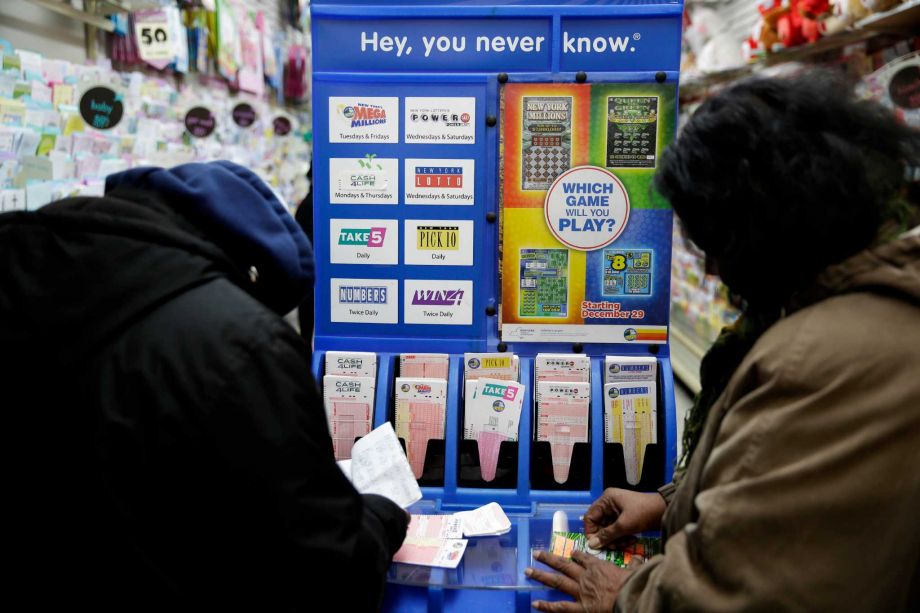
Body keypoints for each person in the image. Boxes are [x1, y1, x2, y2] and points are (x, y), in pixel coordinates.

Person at [526, 72, 920, 611]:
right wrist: (671, 502)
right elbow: (794, 501)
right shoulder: (849, 315)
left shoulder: (819, 360)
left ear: (768, 230)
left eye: (716, 244)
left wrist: (627, 597)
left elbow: (749, 593)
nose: (712, 270)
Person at [0, 161, 408, 611]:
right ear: (249, 271)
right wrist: (383, 513)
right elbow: (324, 570)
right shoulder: (242, 341)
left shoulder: (21, 269)